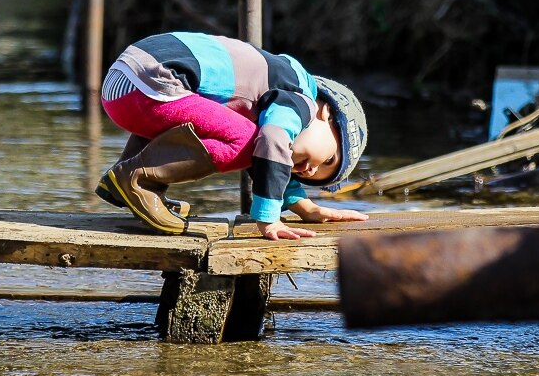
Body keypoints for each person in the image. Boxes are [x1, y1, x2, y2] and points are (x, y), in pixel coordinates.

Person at [94, 31, 369, 240]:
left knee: (228, 129)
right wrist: (269, 219)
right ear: (328, 114)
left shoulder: (280, 86)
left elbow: (269, 155)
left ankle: (119, 178)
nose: (310, 170)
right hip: (152, 81)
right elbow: (271, 142)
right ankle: (137, 180)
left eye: (314, 174)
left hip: (125, 81)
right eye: (329, 159)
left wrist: (306, 208)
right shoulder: (301, 101)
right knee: (250, 141)